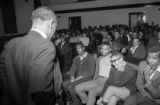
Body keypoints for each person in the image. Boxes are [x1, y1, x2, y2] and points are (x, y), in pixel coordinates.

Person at [1, 6, 57, 105]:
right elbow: (41, 90)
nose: (53, 33)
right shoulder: (46, 46)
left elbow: (2, 77)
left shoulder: (11, 43)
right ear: (51, 23)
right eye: (55, 29)